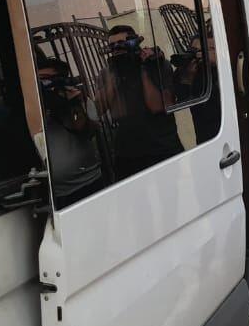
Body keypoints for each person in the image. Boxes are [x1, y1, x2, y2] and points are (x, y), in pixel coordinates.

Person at [98, 24, 183, 180]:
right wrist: (113, 76)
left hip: (161, 149)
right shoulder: (107, 73)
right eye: (113, 46)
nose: (117, 49)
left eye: (122, 44)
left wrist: (143, 68)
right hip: (128, 155)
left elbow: (158, 106)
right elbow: (100, 110)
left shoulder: (156, 64)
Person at [37, 56, 105, 207]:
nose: (43, 85)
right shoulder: (34, 110)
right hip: (56, 193)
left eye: (47, 80)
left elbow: (87, 132)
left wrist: (73, 104)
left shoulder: (80, 101)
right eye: (39, 81)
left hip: (89, 183)